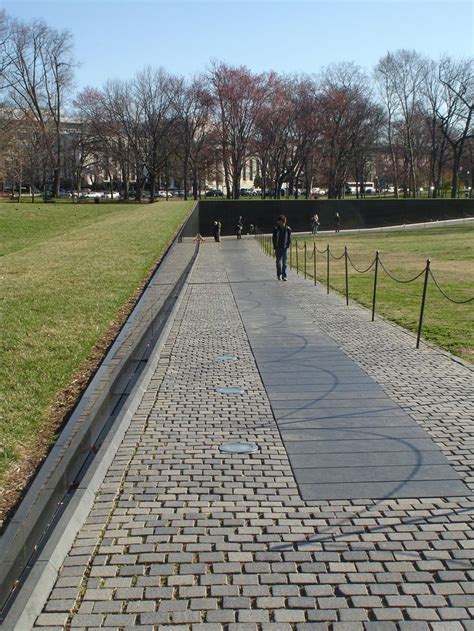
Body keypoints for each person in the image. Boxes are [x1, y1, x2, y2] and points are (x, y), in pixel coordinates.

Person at [272, 214, 292, 281]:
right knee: (278, 262)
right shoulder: (276, 229)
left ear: (282, 221)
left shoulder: (288, 229)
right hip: (278, 248)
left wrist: (288, 245)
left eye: (279, 221)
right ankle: (278, 275)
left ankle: (284, 276)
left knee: (284, 262)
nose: (277, 222)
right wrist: (275, 246)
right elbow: (274, 238)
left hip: (285, 248)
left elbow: (289, 238)